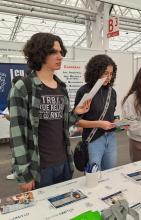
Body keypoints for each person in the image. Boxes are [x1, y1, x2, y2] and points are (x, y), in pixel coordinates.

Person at [9, 33, 90, 192]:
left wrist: (76, 113)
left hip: (64, 163)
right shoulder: (24, 87)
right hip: (39, 169)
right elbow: (17, 135)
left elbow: (63, 124)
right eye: (54, 52)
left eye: (61, 52)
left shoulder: (61, 87)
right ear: (40, 53)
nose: (60, 56)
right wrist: (23, 174)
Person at [74, 54, 117, 171]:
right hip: (93, 140)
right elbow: (77, 122)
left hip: (111, 138)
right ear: (96, 71)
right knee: (93, 176)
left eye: (111, 74)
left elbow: (110, 116)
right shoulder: (84, 91)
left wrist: (118, 122)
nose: (108, 77)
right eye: (105, 73)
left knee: (110, 174)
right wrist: (99, 124)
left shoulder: (112, 92)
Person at [4, 76, 24, 180]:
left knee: (18, 147)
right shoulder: (14, 93)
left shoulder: (17, 93)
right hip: (16, 124)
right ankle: (16, 170)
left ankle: (18, 172)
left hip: (19, 126)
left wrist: (10, 117)